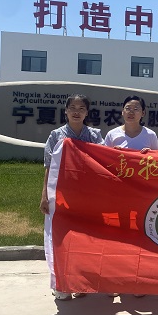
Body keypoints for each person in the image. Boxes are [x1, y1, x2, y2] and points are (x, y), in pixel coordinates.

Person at [39, 93, 104, 301]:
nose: (77, 112)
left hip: (87, 198)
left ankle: (81, 282)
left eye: (81, 108)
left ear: (87, 112)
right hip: (61, 196)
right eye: (73, 108)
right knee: (61, 239)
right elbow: (49, 167)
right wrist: (44, 195)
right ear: (66, 111)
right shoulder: (56, 135)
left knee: (84, 240)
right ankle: (61, 283)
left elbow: (105, 159)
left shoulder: (94, 136)